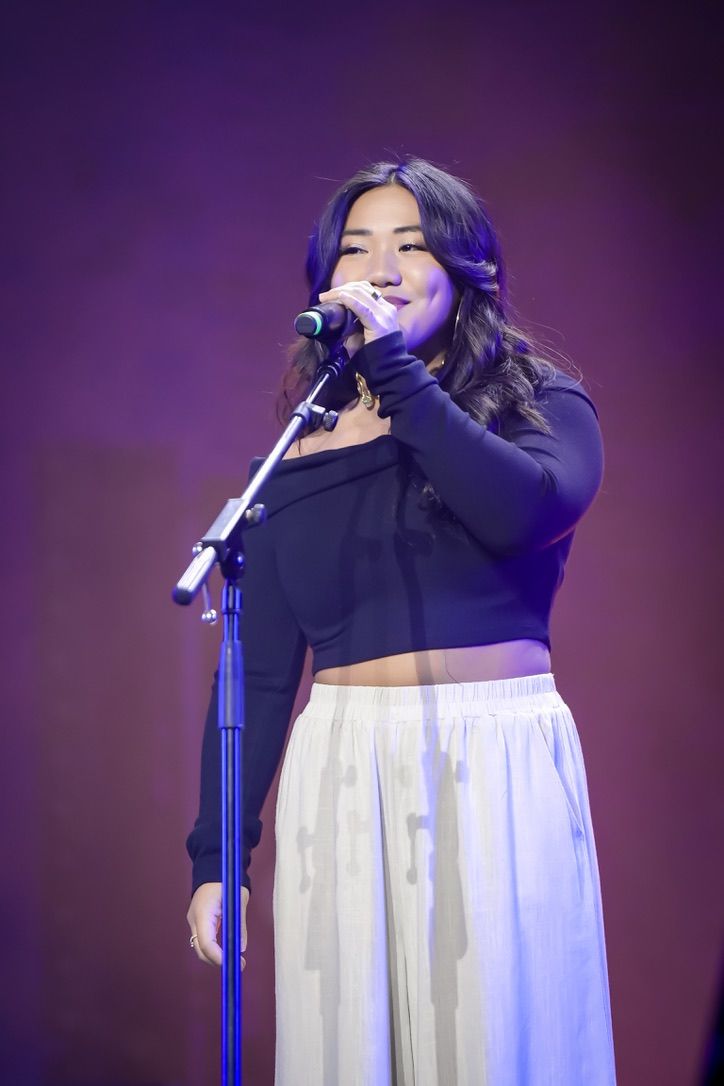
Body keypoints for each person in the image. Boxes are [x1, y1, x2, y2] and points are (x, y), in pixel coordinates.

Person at [185, 157, 617, 1085]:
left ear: (462, 271)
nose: (380, 267)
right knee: (353, 1048)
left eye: (410, 246)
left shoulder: (540, 403)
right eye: (356, 248)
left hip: (491, 754)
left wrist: (396, 376)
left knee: (494, 1045)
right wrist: (219, 857)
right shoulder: (301, 446)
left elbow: (521, 512)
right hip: (343, 761)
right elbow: (261, 673)